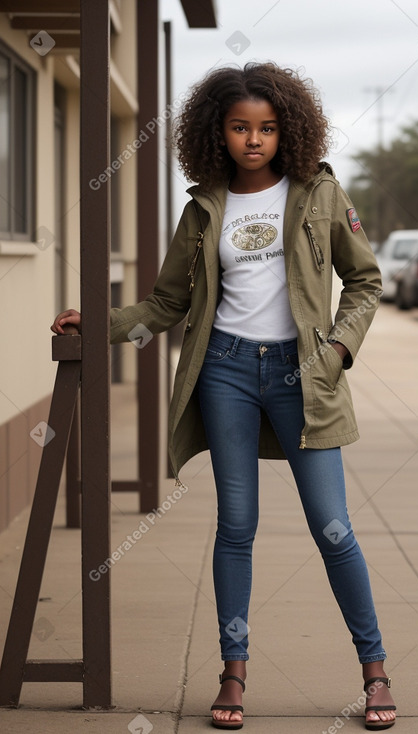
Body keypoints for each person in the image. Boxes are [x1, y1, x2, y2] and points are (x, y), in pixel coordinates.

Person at [51, 62, 396, 731]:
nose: (254, 140)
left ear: (287, 129)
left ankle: (375, 670)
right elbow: (166, 303)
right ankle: (232, 672)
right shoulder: (205, 206)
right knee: (235, 528)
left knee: (333, 529)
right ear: (218, 132)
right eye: (240, 127)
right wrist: (100, 322)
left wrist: (336, 350)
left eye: (266, 127)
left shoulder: (320, 193)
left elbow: (365, 279)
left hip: (304, 378)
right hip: (226, 373)